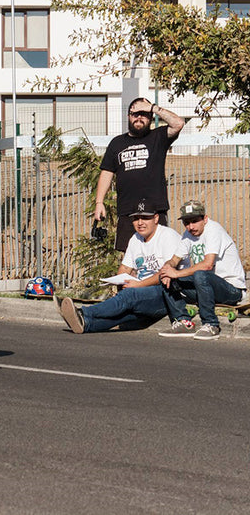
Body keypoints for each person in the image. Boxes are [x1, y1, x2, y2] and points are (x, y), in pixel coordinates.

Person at [57, 198, 181, 333]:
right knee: (124, 315)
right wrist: (121, 279)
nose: (140, 223)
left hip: (167, 294)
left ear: (156, 218)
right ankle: (86, 324)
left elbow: (166, 273)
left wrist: (138, 285)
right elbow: (125, 268)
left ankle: (81, 312)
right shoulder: (135, 239)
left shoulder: (168, 236)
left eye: (145, 218)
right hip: (143, 294)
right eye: (136, 218)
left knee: (129, 296)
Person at [94, 97, 185, 252]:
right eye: (135, 114)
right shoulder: (117, 143)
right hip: (127, 211)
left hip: (154, 211)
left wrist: (153, 108)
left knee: (158, 255)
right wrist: (99, 202)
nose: (139, 117)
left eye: (144, 114)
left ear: (150, 117)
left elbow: (178, 124)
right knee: (130, 257)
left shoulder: (158, 137)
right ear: (129, 116)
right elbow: (107, 172)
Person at [157, 200, 248, 340]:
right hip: (206, 289)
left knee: (200, 274)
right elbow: (175, 259)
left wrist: (176, 273)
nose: (190, 226)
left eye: (194, 221)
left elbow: (207, 265)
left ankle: (211, 324)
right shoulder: (188, 235)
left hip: (231, 289)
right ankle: (184, 322)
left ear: (205, 219)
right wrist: (168, 269)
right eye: (186, 223)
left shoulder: (214, 230)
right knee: (164, 277)